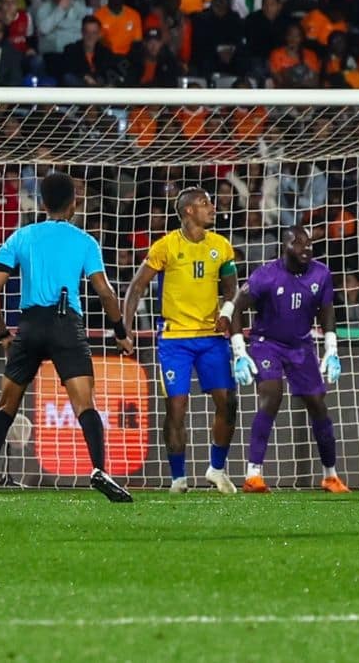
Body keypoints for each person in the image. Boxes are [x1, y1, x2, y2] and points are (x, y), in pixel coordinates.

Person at [0, 173, 134, 503]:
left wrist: (3, 333)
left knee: (6, 406)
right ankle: (99, 469)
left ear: (43, 203)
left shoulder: (22, 236)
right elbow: (105, 292)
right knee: (84, 404)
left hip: (30, 326)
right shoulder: (84, 241)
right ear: (74, 203)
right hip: (65, 325)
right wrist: (120, 332)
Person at [121, 188, 239, 495]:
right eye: (204, 203)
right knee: (176, 406)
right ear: (188, 211)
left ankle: (216, 469)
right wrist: (126, 329)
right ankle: (178, 478)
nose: (212, 207)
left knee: (228, 402)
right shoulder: (166, 246)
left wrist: (227, 312)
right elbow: (137, 286)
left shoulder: (221, 246)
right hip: (175, 340)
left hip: (211, 337)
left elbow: (232, 289)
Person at [229, 226, 349, 494]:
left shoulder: (321, 273)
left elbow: (327, 311)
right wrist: (239, 351)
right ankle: (253, 475)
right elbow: (236, 308)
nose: (306, 248)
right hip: (267, 343)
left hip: (301, 345)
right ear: (285, 246)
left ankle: (330, 475)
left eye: (309, 243)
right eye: (299, 243)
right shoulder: (265, 275)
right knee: (272, 395)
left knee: (318, 404)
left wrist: (331, 349)